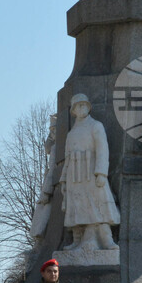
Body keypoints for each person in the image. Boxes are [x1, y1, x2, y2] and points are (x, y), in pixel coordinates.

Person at [59, 94, 120, 251]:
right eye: (79, 106)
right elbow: (67, 157)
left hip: (91, 170)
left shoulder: (96, 126)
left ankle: (105, 240)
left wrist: (101, 172)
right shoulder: (71, 132)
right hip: (74, 174)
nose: (82, 108)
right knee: (76, 207)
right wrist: (64, 180)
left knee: (98, 206)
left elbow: (102, 150)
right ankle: (77, 240)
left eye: (84, 105)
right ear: (74, 110)